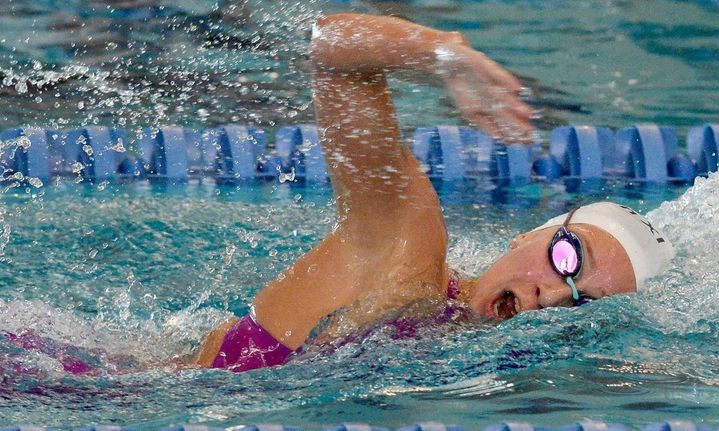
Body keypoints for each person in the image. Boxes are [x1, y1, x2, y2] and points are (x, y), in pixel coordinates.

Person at [193, 13, 674, 372]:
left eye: (583, 302)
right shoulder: (405, 257)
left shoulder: (476, 364)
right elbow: (332, 50)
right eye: (569, 260)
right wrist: (443, 53)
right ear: (527, 235)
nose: (552, 296)